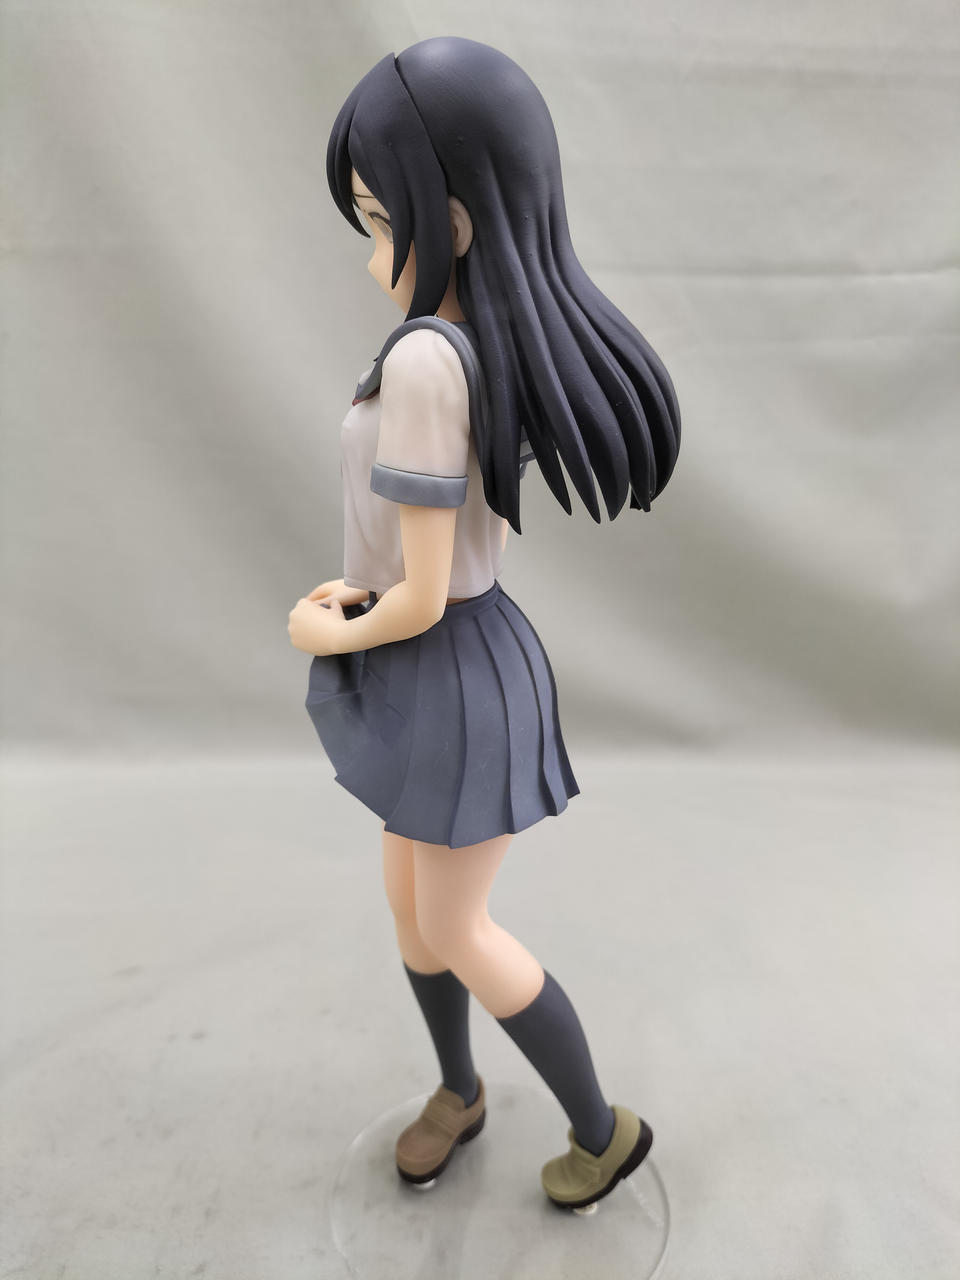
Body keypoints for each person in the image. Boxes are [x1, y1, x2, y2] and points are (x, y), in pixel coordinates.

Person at [287, 36, 680, 1210]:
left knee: (457, 927)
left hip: (447, 662)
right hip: (429, 658)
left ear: (449, 220)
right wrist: (358, 598)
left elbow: (422, 589)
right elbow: (411, 560)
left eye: (382, 219)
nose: (373, 252)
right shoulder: (469, 341)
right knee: (413, 913)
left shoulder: (427, 359)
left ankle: (603, 1130)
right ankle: (459, 1090)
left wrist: (324, 628)